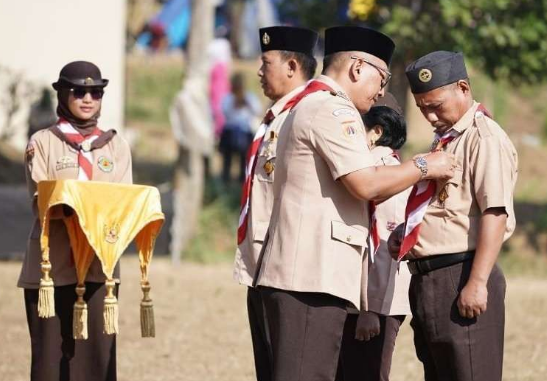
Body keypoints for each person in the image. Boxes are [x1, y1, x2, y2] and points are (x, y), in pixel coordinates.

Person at [253, 26, 456, 381]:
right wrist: (425, 166)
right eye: (381, 78)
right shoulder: (334, 111)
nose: (381, 91)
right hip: (309, 280)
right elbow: (366, 184)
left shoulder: (310, 104)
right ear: (357, 68)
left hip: (306, 276)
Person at [388, 51, 518, 381]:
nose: (430, 116)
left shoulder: (483, 137)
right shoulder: (446, 141)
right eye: (422, 108)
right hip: (428, 279)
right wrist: (407, 233)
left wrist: (476, 282)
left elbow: (495, 212)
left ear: (462, 87)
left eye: (436, 105)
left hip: (461, 274)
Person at [19, 61, 132, 381]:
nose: (87, 98)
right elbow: (41, 199)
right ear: (61, 94)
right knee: (50, 362)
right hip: (51, 268)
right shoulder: (42, 143)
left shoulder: (116, 146)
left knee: (96, 359)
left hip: (100, 267)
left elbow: (124, 201)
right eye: (78, 91)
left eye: (96, 92)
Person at [233, 25, 319, 381]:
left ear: (292, 66)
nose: (258, 71)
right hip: (263, 265)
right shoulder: (275, 118)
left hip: (292, 268)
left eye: (265, 62)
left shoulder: (310, 114)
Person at [336, 96, 412, 381]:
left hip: (372, 306)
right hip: (361, 301)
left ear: (376, 131)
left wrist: (367, 311)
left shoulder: (383, 174)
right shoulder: (382, 169)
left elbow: (380, 248)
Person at [219, 72, 262, 183]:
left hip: (245, 131)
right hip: (230, 131)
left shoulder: (249, 97)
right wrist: (235, 103)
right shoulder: (228, 98)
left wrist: (246, 103)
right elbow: (225, 112)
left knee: (245, 159)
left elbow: (257, 111)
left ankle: (242, 181)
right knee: (227, 159)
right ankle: (226, 179)